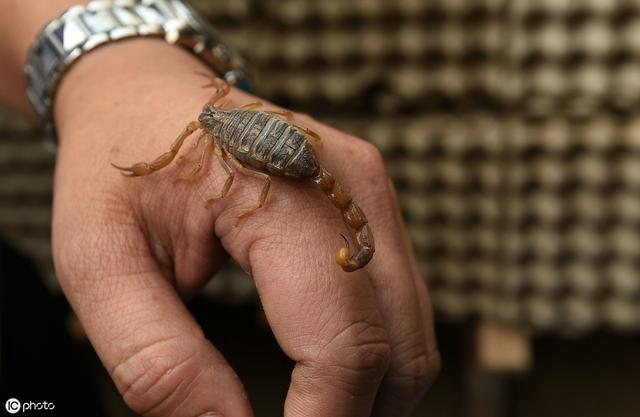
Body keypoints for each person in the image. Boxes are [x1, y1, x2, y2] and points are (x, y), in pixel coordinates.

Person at [0, 1, 439, 416]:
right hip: (283, 142)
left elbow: (227, 175)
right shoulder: (225, 112)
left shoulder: (215, 129)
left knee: (249, 180)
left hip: (281, 154)